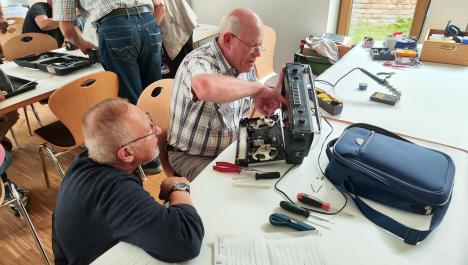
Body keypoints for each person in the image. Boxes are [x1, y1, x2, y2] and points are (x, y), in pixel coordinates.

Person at [52, 98, 204, 265]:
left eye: (150, 120)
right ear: (126, 154)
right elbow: (186, 241)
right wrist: (179, 187)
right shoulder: (113, 189)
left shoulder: (88, 160)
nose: (159, 130)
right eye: (150, 130)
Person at [166, 8, 286, 181]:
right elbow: (205, 87)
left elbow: (244, 91)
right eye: (253, 46)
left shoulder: (243, 62)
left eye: (260, 46)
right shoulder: (198, 61)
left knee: (275, 172)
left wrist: (257, 99)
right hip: (193, 157)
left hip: (231, 147)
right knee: (238, 190)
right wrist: (257, 89)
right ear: (228, 39)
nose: (258, 54)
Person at [53, 0, 166, 105]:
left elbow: (66, 28)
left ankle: (143, 125)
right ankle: (160, 124)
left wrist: (83, 44)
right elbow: (160, 6)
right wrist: (146, 30)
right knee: (154, 91)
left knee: (131, 96)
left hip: (115, 26)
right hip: (149, 20)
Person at [160, 0, 197, 78]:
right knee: (189, 68)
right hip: (183, 24)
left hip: (175, 30)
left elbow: (160, 6)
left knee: (181, 73)